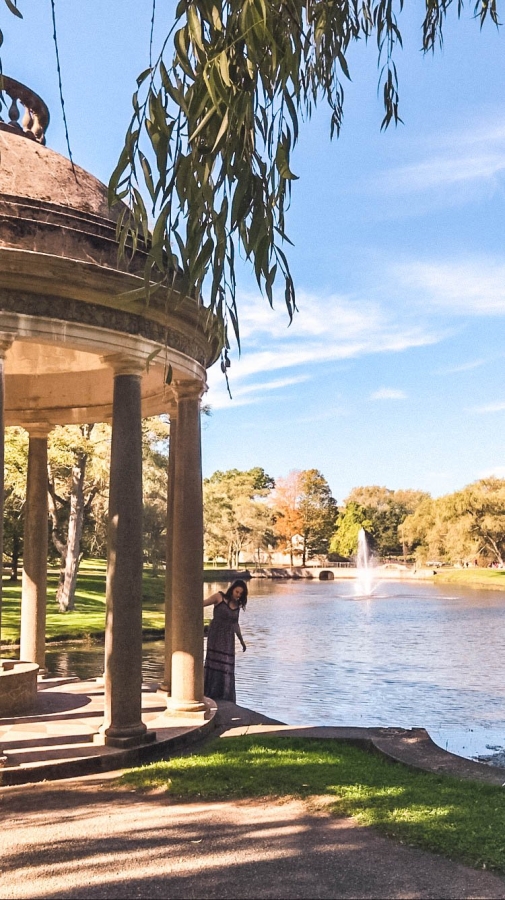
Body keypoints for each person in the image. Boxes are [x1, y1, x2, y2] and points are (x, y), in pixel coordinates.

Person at [203, 580, 248, 702]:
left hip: (228, 638)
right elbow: (203, 603)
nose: (238, 595)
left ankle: (224, 694)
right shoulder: (219, 597)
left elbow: (235, 624)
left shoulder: (237, 606)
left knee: (226, 664)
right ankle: (210, 691)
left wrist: (242, 641)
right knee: (213, 662)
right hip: (216, 634)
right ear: (232, 589)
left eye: (240, 594)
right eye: (237, 591)